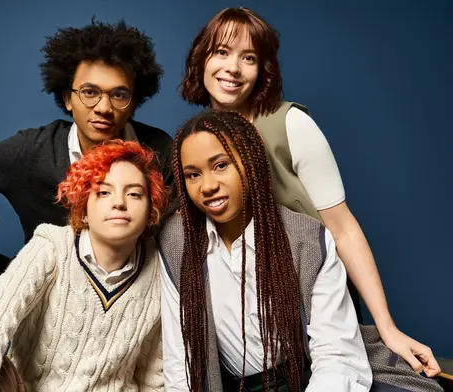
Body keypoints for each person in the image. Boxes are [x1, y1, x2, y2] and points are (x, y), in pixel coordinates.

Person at [179, 6, 440, 377]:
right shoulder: (197, 137)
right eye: (222, 52)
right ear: (201, 58)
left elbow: (342, 227)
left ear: (263, 70)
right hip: (249, 318)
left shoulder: (291, 125)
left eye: (248, 57)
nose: (233, 68)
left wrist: (387, 327)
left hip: (313, 301)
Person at [0, 19, 173, 375]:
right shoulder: (33, 150)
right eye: (89, 92)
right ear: (66, 98)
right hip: (44, 290)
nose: (103, 107)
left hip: (126, 296)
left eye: (118, 94)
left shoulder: (159, 151)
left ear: (134, 101)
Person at [159, 110, 372, 391]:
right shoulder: (177, 241)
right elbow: (180, 359)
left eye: (221, 165)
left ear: (251, 162)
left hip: (308, 378)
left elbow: (336, 357)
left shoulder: (305, 238)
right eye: (193, 174)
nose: (208, 186)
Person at [0, 140, 167, 391]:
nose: (119, 203)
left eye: (134, 194)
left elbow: (153, 375)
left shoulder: (159, 269)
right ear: (84, 209)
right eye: (103, 192)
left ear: (150, 212)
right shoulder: (52, 248)